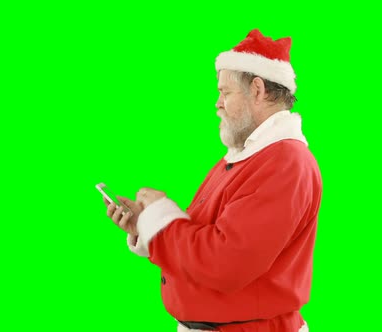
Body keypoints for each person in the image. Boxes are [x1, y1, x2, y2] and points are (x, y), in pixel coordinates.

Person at [103, 29, 322, 332]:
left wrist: (161, 219)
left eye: (225, 92)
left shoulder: (284, 163)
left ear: (257, 89)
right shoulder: (246, 156)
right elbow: (202, 237)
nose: (217, 104)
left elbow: (225, 264)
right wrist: (147, 225)